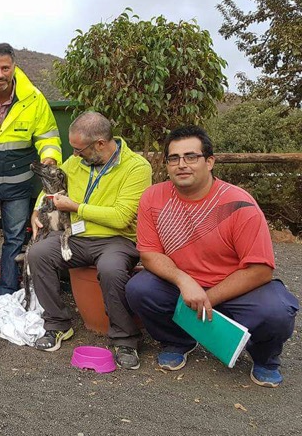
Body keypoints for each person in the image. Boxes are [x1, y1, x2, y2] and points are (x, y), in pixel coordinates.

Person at [126, 126, 298, 387]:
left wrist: (207, 299)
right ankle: (178, 340)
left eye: (191, 157)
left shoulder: (240, 205)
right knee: (140, 289)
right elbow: (149, 254)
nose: (182, 165)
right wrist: (184, 281)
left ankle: (265, 358)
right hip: (184, 287)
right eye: (174, 158)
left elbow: (261, 270)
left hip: (235, 288)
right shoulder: (153, 197)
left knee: (277, 311)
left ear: (210, 162)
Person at [30, 112, 152, 370]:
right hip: (75, 237)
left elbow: (121, 217)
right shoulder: (76, 163)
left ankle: (125, 339)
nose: (73, 155)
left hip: (116, 240)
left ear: (99, 143)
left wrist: (77, 207)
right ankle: (57, 325)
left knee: (111, 269)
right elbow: (51, 186)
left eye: (78, 149)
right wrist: (37, 209)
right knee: (38, 254)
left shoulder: (136, 167)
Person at [0, 43, 62, 308]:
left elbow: (48, 136)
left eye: (5, 67)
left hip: (18, 183)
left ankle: (6, 291)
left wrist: (49, 156)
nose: (0, 74)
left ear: (14, 66)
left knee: (15, 237)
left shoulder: (34, 98)